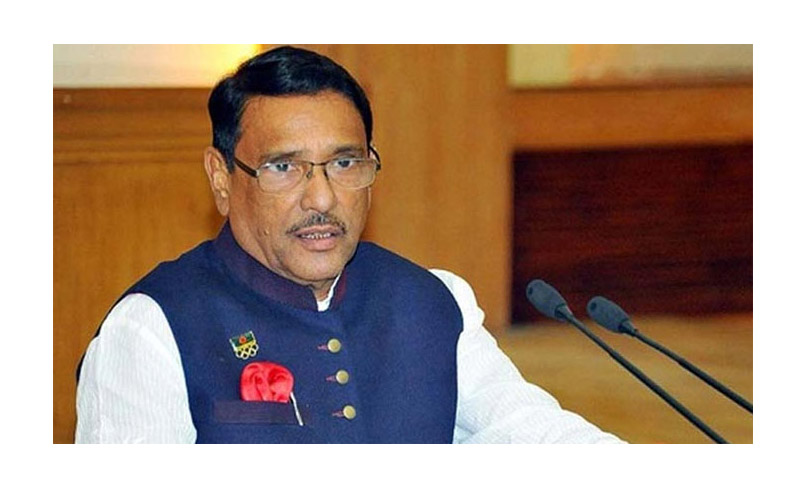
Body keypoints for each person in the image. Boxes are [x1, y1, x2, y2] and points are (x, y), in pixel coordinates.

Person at [75, 46, 623, 443]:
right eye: (284, 167)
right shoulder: (152, 329)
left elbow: (530, 430)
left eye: (343, 163)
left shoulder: (431, 301)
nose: (322, 197)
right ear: (222, 178)